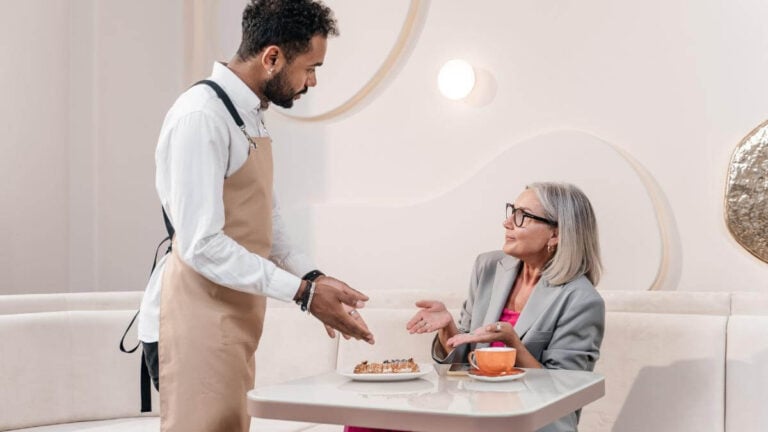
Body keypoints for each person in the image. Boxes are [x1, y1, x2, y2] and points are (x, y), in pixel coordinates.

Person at [135, 1, 374, 431]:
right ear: (272, 58)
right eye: (310, 67)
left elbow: (269, 220)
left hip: (231, 314)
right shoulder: (201, 116)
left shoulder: (250, 116)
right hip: (192, 316)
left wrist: (314, 277)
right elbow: (202, 245)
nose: (313, 81)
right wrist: (302, 294)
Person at [344, 182, 603, 432]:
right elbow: (460, 366)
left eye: (523, 216)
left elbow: (562, 392)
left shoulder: (581, 300)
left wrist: (514, 345)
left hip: (527, 424)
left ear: (556, 234)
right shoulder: (489, 267)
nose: (508, 222)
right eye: (512, 211)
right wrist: (448, 328)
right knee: (365, 419)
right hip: (471, 412)